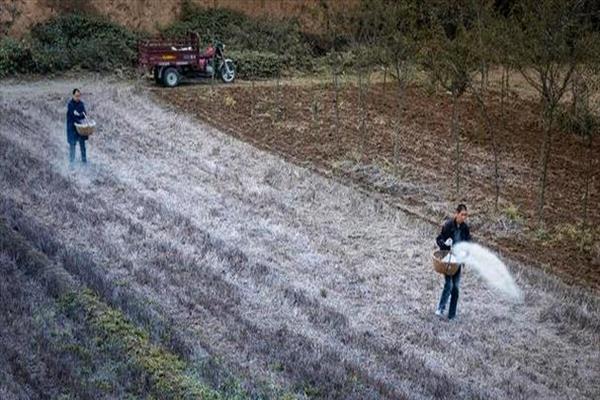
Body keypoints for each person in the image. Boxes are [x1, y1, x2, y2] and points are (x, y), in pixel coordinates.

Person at [435, 204, 471, 320]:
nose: (464, 217)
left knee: (455, 287)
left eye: (466, 215)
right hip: (448, 260)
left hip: (458, 262)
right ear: (456, 213)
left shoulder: (465, 228)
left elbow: (468, 243)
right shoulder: (448, 225)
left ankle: (452, 314)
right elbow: (439, 239)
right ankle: (440, 308)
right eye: (462, 214)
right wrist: (445, 244)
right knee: (449, 284)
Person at [66, 88, 88, 164]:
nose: (78, 97)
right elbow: (73, 116)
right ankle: (71, 164)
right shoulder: (70, 105)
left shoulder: (81, 104)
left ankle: (84, 162)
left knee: (82, 146)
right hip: (72, 128)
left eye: (79, 96)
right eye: (76, 96)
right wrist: (79, 117)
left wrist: (80, 116)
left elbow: (84, 113)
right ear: (73, 96)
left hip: (80, 129)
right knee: (72, 146)